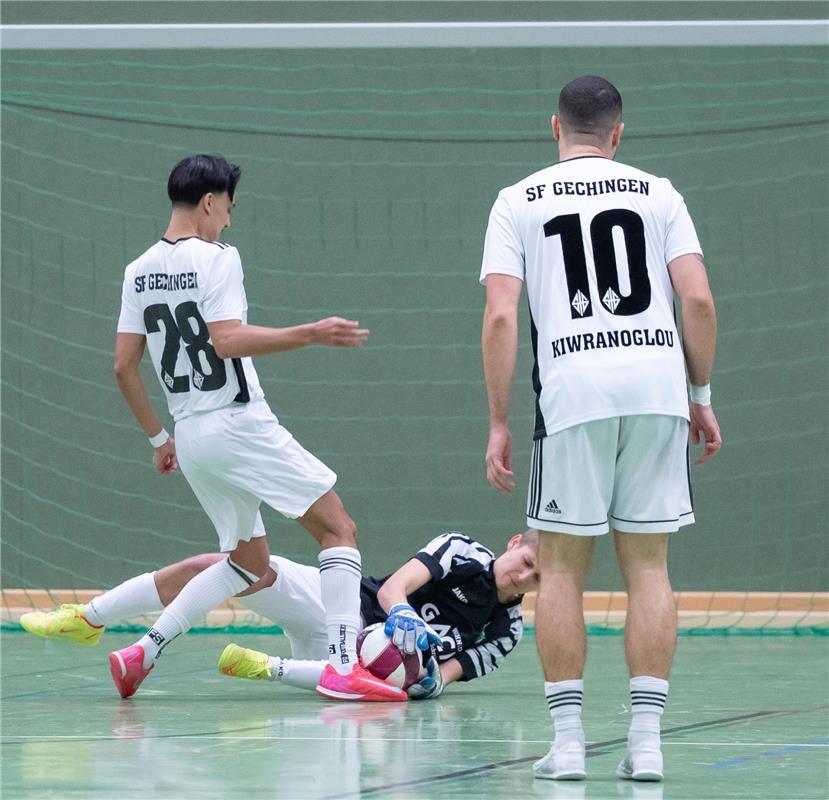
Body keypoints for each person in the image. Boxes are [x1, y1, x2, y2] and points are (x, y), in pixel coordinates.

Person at [479, 76, 721, 782]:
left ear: (554, 129)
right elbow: (697, 299)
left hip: (572, 395)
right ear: (618, 133)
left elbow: (499, 317)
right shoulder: (659, 193)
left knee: (560, 572)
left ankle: (569, 744)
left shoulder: (516, 200)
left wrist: (496, 419)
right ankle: (645, 745)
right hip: (655, 391)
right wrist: (698, 391)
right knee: (648, 567)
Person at [109, 154, 406, 702]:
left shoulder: (136, 270)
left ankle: (142, 651)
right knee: (338, 529)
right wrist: (311, 333)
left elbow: (123, 365)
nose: (229, 220)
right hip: (238, 423)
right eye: (228, 208)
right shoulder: (218, 257)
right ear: (208, 202)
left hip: (192, 436)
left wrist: (159, 440)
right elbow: (226, 340)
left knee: (248, 564)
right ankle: (342, 666)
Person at [20, 529, 540, 699]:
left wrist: (427, 680)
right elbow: (395, 590)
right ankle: (89, 616)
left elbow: (445, 676)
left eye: (537, 577)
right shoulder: (462, 550)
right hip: (340, 606)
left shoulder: (507, 631)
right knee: (235, 566)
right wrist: (401, 613)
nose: (522, 574)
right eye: (525, 561)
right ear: (514, 543)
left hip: (366, 667)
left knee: (380, 700)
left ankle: (263, 666)